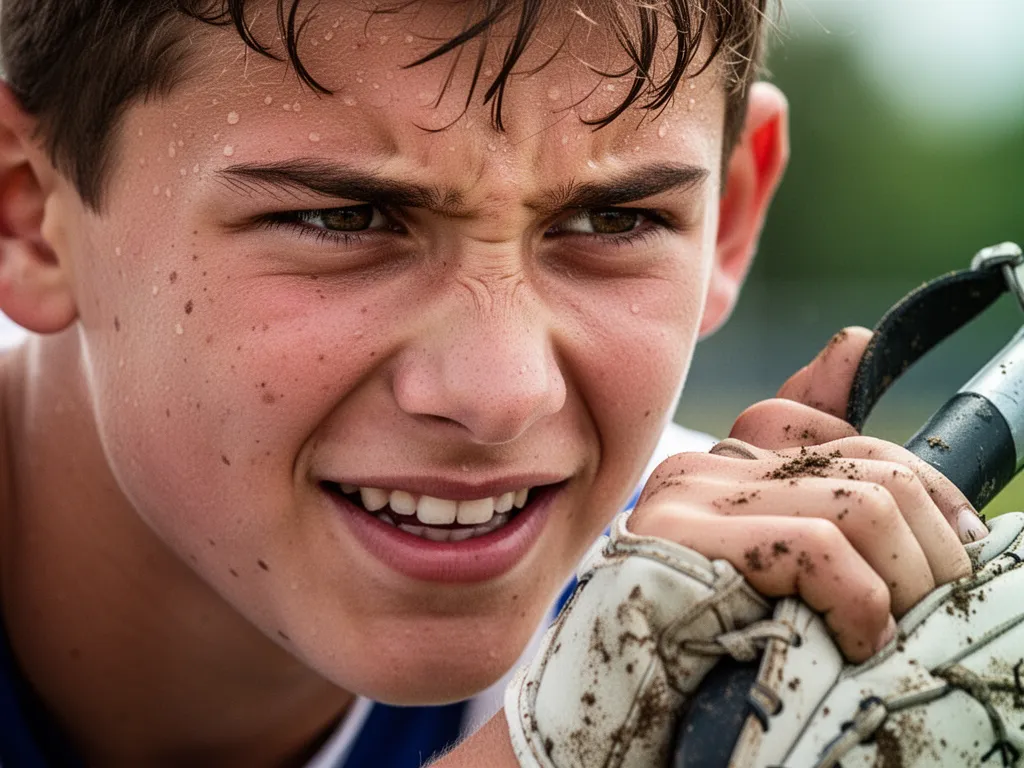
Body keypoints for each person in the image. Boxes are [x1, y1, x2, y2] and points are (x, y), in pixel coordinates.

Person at [0, 1, 989, 765]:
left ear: (729, 213)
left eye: (614, 222)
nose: (502, 395)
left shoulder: (721, 618)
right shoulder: (630, 678)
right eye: (346, 220)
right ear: (27, 213)